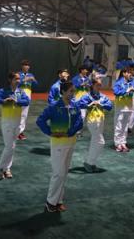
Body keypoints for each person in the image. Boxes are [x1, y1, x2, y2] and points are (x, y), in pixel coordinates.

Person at [36, 81, 83, 213]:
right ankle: (50, 202)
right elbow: (40, 120)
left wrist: (70, 132)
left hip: (71, 142)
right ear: (63, 91)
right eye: (71, 91)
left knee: (64, 173)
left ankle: (59, 200)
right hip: (58, 144)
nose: (73, 93)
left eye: (73, 91)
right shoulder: (54, 106)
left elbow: (79, 121)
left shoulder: (75, 105)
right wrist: (50, 132)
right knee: (58, 173)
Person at [0, 73, 30, 179]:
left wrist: (17, 101)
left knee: (12, 146)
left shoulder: (20, 91)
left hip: (17, 122)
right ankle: (0, 169)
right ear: (10, 80)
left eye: (19, 79)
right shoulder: (4, 91)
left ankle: (7, 169)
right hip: (7, 122)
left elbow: (27, 101)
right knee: (9, 146)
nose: (18, 80)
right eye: (16, 79)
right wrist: (3, 100)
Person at [78, 79, 112, 172]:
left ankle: (91, 163)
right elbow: (79, 104)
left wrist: (101, 104)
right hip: (92, 121)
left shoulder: (102, 96)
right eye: (97, 85)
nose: (99, 87)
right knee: (101, 142)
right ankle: (89, 162)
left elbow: (110, 106)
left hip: (101, 120)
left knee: (94, 142)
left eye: (100, 85)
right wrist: (89, 105)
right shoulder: (87, 96)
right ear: (92, 85)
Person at [112, 68, 134, 152]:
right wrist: (126, 90)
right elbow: (116, 92)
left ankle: (123, 143)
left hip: (129, 108)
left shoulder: (132, 83)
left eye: (131, 73)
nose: (130, 74)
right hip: (120, 108)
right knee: (119, 127)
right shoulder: (118, 83)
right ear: (124, 73)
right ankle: (117, 144)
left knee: (125, 127)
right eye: (128, 73)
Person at [17, 60, 38, 140]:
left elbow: (36, 84)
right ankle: (16, 131)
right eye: (25, 65)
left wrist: (33, 80)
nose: (26, 66)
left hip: (27, 97)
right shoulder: (18, 74)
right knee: (18, 114)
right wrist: (25, 80)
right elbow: (16, 83)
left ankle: (20, 132)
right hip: (19, 95)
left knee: (24, 115)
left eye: (28, 65)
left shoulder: (31, 75)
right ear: (22, 66)